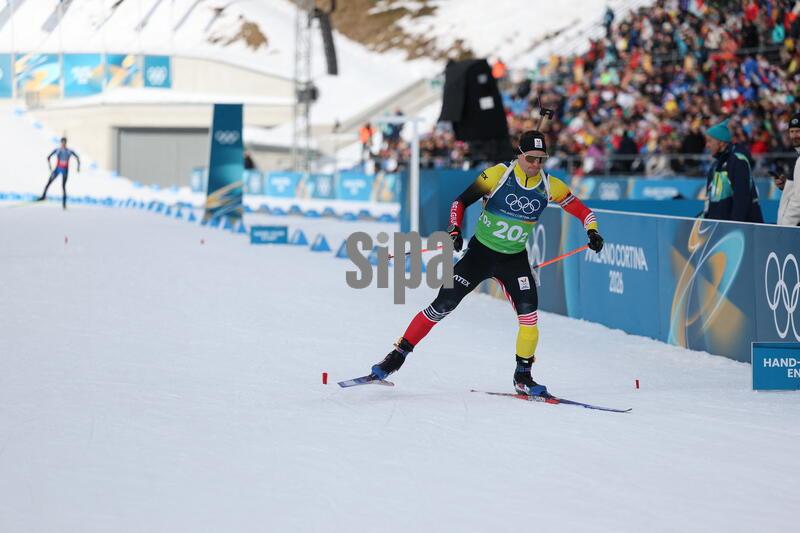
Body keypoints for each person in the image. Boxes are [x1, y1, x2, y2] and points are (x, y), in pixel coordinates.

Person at [368, 130, 605, 397]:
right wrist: (454, 229)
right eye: (531, 158)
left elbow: (584, 212)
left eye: (541, 159)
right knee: (441, 307)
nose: (536, 165)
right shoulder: (498, 175)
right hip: (479, 255)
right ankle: (395, 358)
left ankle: (523, 377)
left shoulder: (551, 186)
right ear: (519, 155)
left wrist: (592, 231)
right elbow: (460, 201)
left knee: (530, 318)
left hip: (514, 260)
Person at [702, 119, 763, 223]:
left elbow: (741, 200)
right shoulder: (715, 166)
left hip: (737, 232)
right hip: (718, 230)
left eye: (709, 141)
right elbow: (709, 200)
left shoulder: (738, 162)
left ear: (721, 142)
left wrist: (733, 227)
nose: (707, 145)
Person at [773, 113, 800, 226]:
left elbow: (798, 201)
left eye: (798, 131)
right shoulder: (797, 156)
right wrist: (786, 186)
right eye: (791, 131)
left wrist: (785, 227)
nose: (794, 135)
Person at [38, 137, 80, 210]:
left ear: (66, 143)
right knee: (49, 182)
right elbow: (48, 157)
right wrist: (50, 166)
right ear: (61, 143)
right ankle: (43, 196)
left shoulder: (69, 151)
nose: (63, 144)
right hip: (57, 169)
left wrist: (78, 168)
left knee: (63, 186)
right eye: (62, 143)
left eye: (64, 143)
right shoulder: (58, 150)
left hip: (64, 171)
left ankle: (64, 204)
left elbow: (77, 157)